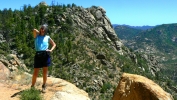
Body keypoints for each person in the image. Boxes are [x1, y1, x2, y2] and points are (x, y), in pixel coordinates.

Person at [31, 24, 56, 93]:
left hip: (45, 54)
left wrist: (51, 50)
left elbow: (54, 44)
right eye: (42, 29)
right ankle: (32, 86)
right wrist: (39, 32)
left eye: (44, 29)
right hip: (38, 54)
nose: (43, 30)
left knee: (45, 72)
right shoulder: (36, 36)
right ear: (40, 29)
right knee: (35, 72)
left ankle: (44, 85)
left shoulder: (47, 37)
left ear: (46, 31)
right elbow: (33, 30)